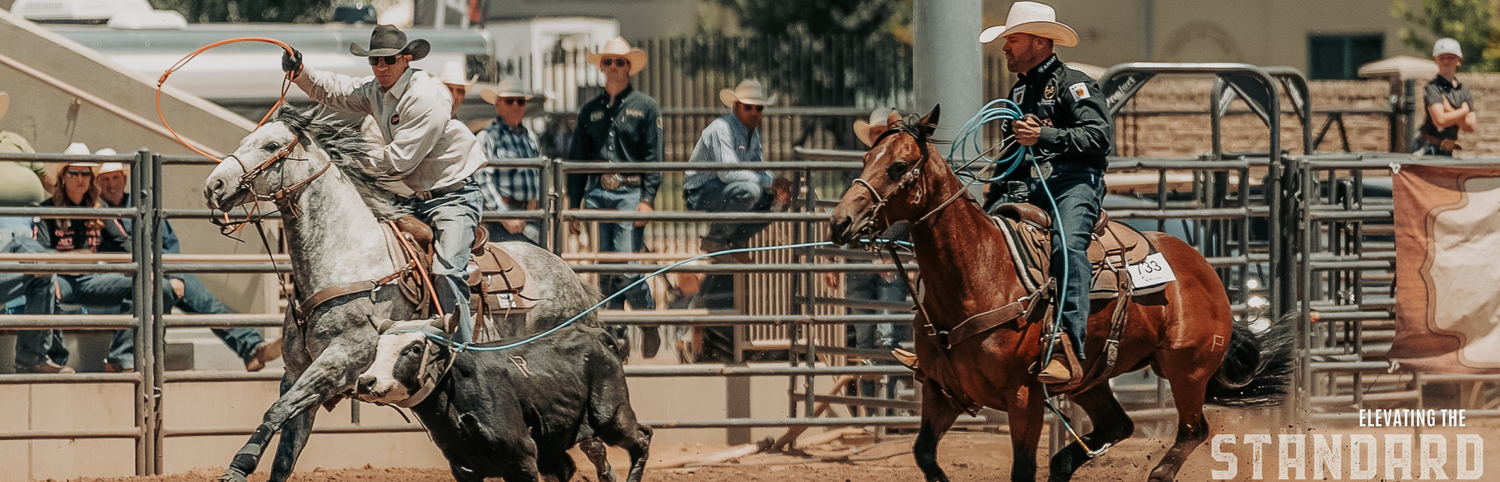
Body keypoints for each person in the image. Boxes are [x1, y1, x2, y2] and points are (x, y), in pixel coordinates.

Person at [280, 24, 486, 343]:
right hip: (417, 196)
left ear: (406, 59)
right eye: (374, 61)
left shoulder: (425, 96)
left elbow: (399, 160)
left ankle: (464, 355)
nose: (380, 67)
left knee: (447, 271)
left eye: (387, 60)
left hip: (454, 197)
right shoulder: (379, 90)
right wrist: (302, 73)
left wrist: (343, 156)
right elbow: (337, 90)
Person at [980, 1, 1112, 385]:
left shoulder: (1074, 85)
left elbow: (1099, 137)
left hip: (1074, 184)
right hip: (1028, 187)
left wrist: (1045, 135)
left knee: (1067, 247)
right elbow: (1011, 156)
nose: (1005, 48)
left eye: (1013, 40)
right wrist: (988, 205)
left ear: (1039, 42)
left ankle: (1068, 346)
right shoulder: (1019, 93)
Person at [94, 159, 283, 372]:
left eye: (115, 177)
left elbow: (168, 242)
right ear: (98, 184)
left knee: (209, 304)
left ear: (125, 179)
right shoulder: (98, 213)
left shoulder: (143, 205)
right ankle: (144, 357)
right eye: (105, 179)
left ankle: (253, 348)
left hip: (163, 269)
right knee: (164, 292)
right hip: (130, 275)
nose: (111, 184)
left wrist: (175, 274)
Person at [16, 149, 180, 373]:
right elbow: (39, 252)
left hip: (93, 279)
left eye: (86, 173)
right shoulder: (47, 210)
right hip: (61, 279)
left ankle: (121, 359)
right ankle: (55, 360)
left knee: (157, 286)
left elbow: (125, 243)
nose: (80, 179)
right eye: (74, 173)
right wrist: (63, 264)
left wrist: (147, 269)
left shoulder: (99, 209)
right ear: (63, 177)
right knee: (44, 284)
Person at [567, 36, 662, 312]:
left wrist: (648, 198)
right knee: (606, 270)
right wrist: (574, 203)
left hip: (630, 192)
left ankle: (646, 314)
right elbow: (577, 160)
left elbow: (654, 157)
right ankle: (616, 335)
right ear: (601, 67)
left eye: (619, 62)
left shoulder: (646, 107)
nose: (613, 67)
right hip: (597, 193)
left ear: (628, 67)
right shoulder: (589, 111)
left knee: (626, 267)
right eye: (607, 61)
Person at [685, 79, 791, 263]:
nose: (754, 113)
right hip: (700, 191)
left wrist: (776, 187)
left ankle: (737, 240)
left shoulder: (753, 134)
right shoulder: (721, 128)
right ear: (736, 106)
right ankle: (715, 240)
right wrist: (771, 182)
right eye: (748, 107)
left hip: (726, 188)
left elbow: (759, 168)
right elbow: (728, 173)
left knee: (776, 198)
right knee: (750, 190)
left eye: (759, 108)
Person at [474, 77, 543, 245]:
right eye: (509, 101)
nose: (515, 106)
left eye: (520, 101)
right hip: (501, 221)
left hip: (531, 218)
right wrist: (503, 215)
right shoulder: (487, 137)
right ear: (498, 104)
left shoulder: (531, 138)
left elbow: (540, 177)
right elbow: (481, 179)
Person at [1414, 38, 1477, 157]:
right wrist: (1463, 111)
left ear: (1458, 61)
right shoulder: (1432, 87)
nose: (1446, 61)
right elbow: (1440, 121)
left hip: (1447, 149)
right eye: (1441, 58)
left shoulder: (1463, 90)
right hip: (1428, 149)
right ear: (1435, 60)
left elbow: (1470, 126)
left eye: (1451, 57)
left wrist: (1449, 110)